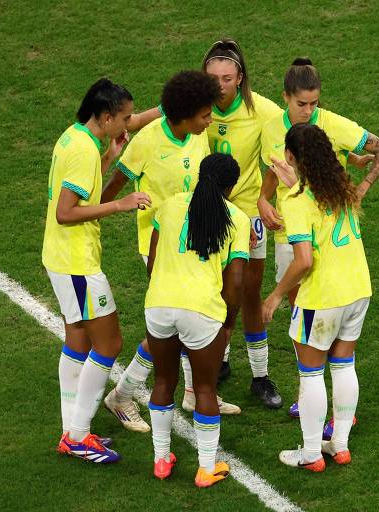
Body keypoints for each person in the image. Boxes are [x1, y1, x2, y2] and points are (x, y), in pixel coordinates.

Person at [101, 71, 241, 431]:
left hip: (197, 241)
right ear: (185, 114)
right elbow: (117, 183)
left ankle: (194, 392)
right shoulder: (147, 141)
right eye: (205, 115)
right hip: (159, 244)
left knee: (194, 322)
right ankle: (122, 393)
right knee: (173, 329)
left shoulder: (197, 137)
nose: (210, 120)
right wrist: (91, 216)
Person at [260, 57, 379, 421]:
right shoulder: (272, 130)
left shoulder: (334, 125)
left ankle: (316, 416)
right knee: (302, 324)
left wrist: (362, 186)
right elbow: (273, 172)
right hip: (290, 235)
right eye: (301, 103)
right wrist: (261, 200)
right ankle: (317, 403)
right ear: (285, 97)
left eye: (314, 103)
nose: (308, 111)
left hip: (323, 243)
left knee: (322, 327)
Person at [43, 78, 151, 463]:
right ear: (105, 117)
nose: (127, 125)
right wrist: (120, 205)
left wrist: (109, 157)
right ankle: (77, 436)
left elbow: (83, 191)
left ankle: (73, 431)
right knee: (110, 344)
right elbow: (67, 212)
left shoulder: (76, 138)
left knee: (78, 343)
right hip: (76, 262)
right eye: (123, 119)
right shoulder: (81, 152)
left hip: (63, 257)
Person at [263, 124, 372, 472]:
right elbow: (318, 205)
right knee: (343, 365)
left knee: (310, 374)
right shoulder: (340, 187)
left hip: (323, 297)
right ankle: (339, 445)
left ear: (292, 158)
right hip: (358, 290)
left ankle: (311, 453)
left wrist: (276, 295)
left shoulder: (295, 200)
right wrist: (295, 183)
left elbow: (304, 259)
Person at [144, 153, 249, 487]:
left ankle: (161, 460)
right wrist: (229, 321)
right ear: (230, 187)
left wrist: (163, 293)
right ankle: (206, 468)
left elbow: (153, 261)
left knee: (163, 382)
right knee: (204, 388)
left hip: (158, 304)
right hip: (202, 311)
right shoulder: (237, 218)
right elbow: (234, 283)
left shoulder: (170, 205)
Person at [202, 37, 284, 408]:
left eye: (226, 78)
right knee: (215, 291)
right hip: (206, 210)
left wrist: (265, 199)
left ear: (240, 79)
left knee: (249, 291)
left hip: (247, 214)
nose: (219, 85)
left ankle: (260, 376)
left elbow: (279, 157)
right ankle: (218, 361)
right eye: (212, 77)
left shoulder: (263, 112)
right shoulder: (195, 108)